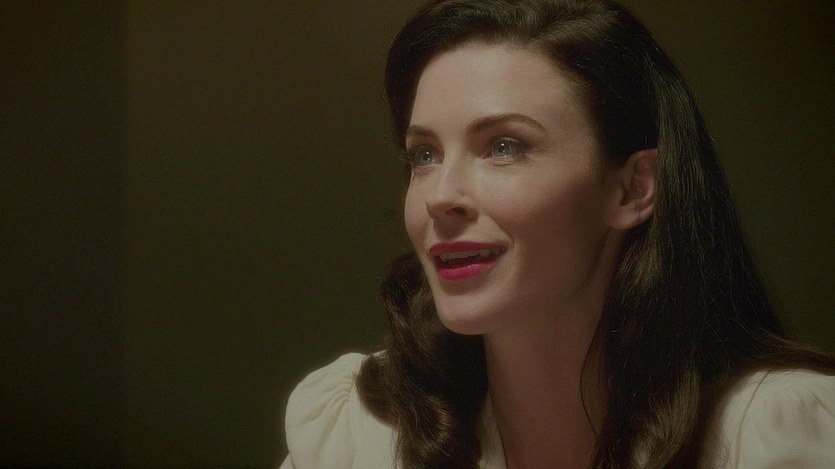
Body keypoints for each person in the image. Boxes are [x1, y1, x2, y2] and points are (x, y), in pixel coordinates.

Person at [280, 0, 835, 467]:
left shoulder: (771, 436)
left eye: (503, 147)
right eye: (424, 155)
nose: (439, 197)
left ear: (632, 189)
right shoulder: (359, 433)